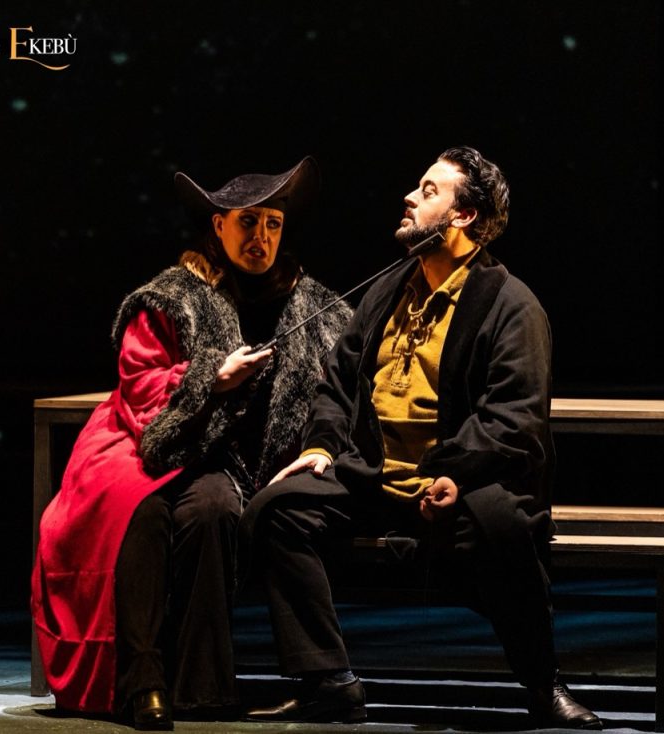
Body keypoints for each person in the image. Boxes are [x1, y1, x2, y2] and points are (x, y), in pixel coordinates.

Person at [240, 146, 602, 729]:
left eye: (430, 191)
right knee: (278, 511)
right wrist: (321, 447)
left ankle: (542, 682)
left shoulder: (511, 305)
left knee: (503, 526)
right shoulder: (388, 290)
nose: (410, 197)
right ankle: (328, 682)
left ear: (463, 216)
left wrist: (455, 473)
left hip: (457, 482)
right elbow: (337, 383)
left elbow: (514, 417)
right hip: (375, 478)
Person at [30, 157, 352, 729]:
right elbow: (141, 385)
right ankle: (144, 683)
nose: (261, 237)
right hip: (159, 450)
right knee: (147, 513)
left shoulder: (318, 310)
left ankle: (202, 689)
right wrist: (210, 377)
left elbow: (341, 393)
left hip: (246, 470)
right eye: (247, 222)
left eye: (273, 224)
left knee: (213, 509)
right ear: (219, 226)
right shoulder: (173, 296)